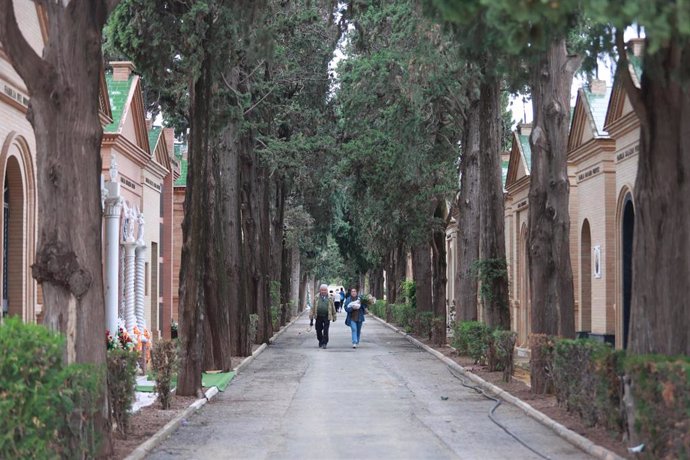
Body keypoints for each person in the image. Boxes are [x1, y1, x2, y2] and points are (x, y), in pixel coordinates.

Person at [310, 284, 336, 349]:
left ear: (327, 290)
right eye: (322, 290)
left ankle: (325, 343)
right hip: (318, 316)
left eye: (325, 290)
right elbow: (312, 307)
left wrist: (334, 316)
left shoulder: (330, 298)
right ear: (320, 290)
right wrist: (311, 316)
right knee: (318, 330)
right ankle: (320, 340)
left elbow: (333, 307)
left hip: (327, 316)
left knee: (325, 330)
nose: (323, 291)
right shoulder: (316, 297)